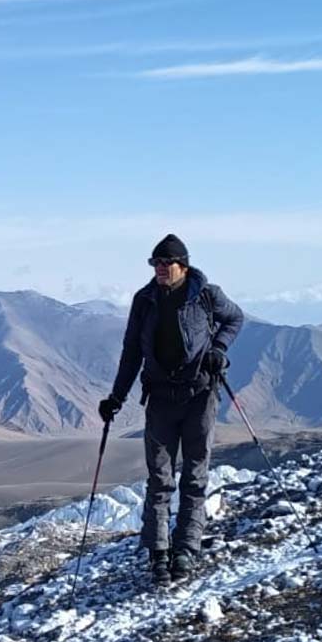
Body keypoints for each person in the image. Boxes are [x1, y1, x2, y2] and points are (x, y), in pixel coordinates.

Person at [98, 235, 246, 585]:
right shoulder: (144, 300)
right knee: (160, 479)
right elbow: (132, 352)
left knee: (194, 476)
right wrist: (116, 397)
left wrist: (219, 349)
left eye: (167, 263)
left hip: (201, 395)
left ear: (184, 265)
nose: (160, 269)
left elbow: (234, 319)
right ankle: (158, 553)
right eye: (156, 263)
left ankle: (186, 549)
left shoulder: (207, 295)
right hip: (161, 398)